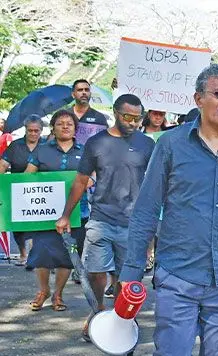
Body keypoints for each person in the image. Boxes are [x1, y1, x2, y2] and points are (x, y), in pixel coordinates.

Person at [119, 64, 218, 356]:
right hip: (178, 275)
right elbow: (146, 210)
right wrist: (132, 270)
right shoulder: (170, 144)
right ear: (198, 99)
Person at [55, 94, 154, 339]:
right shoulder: (96, 143)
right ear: (116, 113)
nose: (133, 122)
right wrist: (66, 215)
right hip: (101, 219)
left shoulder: (147, 144)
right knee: (95, 271)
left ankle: (119, 320)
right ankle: (98, 311)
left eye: (138, 118)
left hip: (134, 224)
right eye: (128, 117)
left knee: (125, 277)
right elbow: (80, 180)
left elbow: (158, 182)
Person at [23, 110, 87, 312]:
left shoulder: (85, 151)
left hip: (77, 212)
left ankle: (58, 294)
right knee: (41, 253)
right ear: (53, 127)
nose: (65, 126)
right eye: (60, 123)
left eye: (69, 123)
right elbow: (27, 177)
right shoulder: (41, 150)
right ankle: (43, 291)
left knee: (67, 256)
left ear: (76, 129)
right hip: (44, 213)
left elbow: (93, 176)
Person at [0, 115, 44, 266]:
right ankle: (23, 253)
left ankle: (35, 254)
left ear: (41, 130)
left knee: (38, 224)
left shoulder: (47, 145)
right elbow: (3, 165)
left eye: (36, 131)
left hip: (41, 191)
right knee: (18, 224)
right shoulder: (15, 145)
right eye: (30, 130)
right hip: (18, 190)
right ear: (25, 130)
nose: (32, 134)